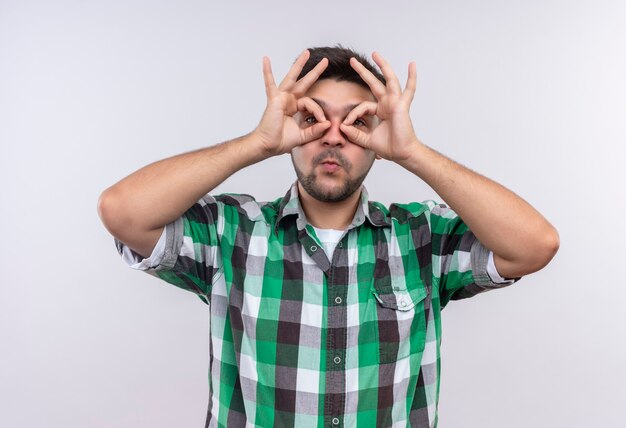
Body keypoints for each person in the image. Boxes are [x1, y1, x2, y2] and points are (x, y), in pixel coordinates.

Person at [97, 46, 559, 427]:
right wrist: (255, 143)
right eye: (312, 118)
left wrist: (413, 153)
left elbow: (535, 245)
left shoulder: (422, 237)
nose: (333, 137)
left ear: (379, 139)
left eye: (357, 123)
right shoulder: (232, 232)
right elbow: (123, 212)